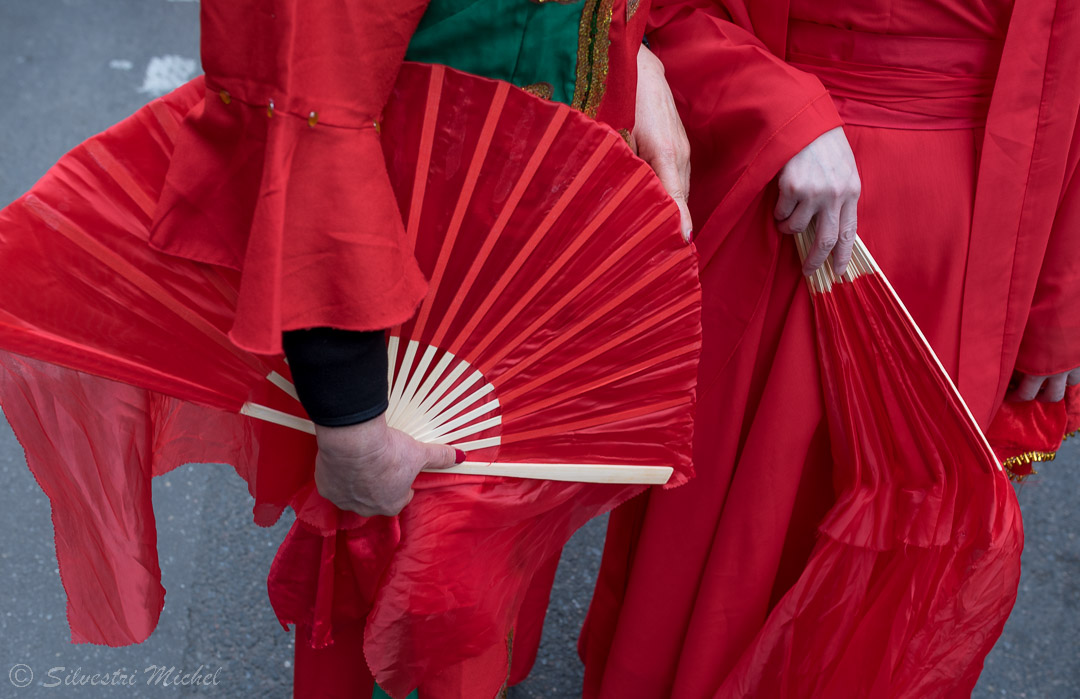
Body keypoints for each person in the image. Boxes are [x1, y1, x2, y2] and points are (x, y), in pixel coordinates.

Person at [0, 2, 696, 698]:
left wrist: (635, 53)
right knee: (408, 589)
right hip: (396, 272)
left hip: (529, 249)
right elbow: (314, 95)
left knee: (489, 576)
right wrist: (354, 421)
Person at [579, 0, 1080, 695]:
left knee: (894, 575)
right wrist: (777, 106)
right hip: (796, 212)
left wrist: (1056, 300)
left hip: (974, 241)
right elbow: (641, 12)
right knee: (744, 541)